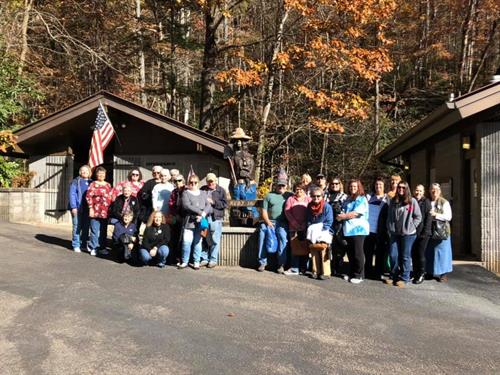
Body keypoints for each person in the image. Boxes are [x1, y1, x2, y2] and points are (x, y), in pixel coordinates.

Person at [385, 181, 422, 287]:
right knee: (393, 255)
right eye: (399, 187)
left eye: (403, 187)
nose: (401, 189)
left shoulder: (412, 201)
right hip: (394, 233)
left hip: (408, 234)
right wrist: (389, 227)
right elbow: (389, 216)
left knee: (405, 256)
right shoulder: (393, 201)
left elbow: (418, 217)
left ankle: (405, 278)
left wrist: (412, 226)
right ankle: (394, 276)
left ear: (407, 189)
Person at [257, 170, 292, 273]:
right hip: (269, 221)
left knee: (282, 236)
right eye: (279, 185)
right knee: (262, 232)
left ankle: (281, 264)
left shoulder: (289, 196)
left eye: (283, 185)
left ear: (286, 186)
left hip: (283, 223)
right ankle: (262, 262)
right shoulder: (269, 195)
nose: (281, 187)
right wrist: (268, 223)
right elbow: (264, 211)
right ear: (276, 185)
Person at [336, 179, 369, 284]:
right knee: (350, 253)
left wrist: (342, 217)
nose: (352, 188)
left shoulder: (362, 199)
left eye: (355, 186)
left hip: (358, 230)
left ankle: (358, 275)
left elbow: (355, 213)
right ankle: (352, 273)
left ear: (359, 187)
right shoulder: (348, 199)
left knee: (358, 254)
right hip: (348, 230)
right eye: (351, 186)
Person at [178, 174, 212, 270]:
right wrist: (200, 212)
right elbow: (187, 206)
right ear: (188, 183)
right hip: (189, 221)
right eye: (191, 182)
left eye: (195, 182)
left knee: (198, 242)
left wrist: (204, 214)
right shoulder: (185, 193)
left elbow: (208, 204)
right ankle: (185, 261)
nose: (193, 184)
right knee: (186, 242)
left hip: (200, 222)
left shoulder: (203, 193)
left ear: (198, 183)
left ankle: (196, 261)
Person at [426, 183, 453, 282]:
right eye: (432, 189)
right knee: (429, 252)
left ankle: (443, 274)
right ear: (429, 191)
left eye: (436, 190)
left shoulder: (444, 202)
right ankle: (429, 272)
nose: (434, 191)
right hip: (430, 231)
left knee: (443, 253)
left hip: (442, 232)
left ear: (440, 191)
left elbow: (448, 217)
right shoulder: (427, 201)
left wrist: (436, 215)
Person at [200, 173, 228, 268]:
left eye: (212, 181)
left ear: (216, 181)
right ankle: (204, 258)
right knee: (204, 237)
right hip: (204, 217)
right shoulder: (203, 189)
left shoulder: (221, 190)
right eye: (209, 181)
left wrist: (214, 202)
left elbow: (225, 204)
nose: (210, 183)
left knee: (214, 239)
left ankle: (213, 259)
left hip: (215, 218)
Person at [363, 177, 389, 280]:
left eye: (380, 185)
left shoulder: (387, 199)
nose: (378, 186)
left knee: (380, 253)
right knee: (368, 252)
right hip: (369, 229)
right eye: (377, 184)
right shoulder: (369, 197)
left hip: (381, 231)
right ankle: (367, 271)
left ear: (384, 186)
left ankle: (378, 272)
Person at [306, 186, 334, 280]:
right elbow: (308, 219)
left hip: (324, 232)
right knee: (314, 251)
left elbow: (329, 221)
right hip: (313, 233)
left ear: (322, 196)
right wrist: (312, 229)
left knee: (323, 251)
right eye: (314, 196)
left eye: (318, 196)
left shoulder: (327, 206)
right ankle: (315, 271)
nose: (316, 198)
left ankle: (325, 273)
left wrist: (320, 230)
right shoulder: (309, 206)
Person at [283, 183, 311, 275]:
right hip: (293, 228)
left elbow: (311, 213)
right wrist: (295, 224)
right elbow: (287, 212)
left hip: (305, 227)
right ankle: (295, 268)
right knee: (294, 248)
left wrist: (304, 224)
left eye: (301, 189)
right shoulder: (290, 199)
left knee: (305, 248)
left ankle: (304, 268)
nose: (299, 191)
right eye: (297, 189)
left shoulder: (309, 199)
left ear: (305, 190)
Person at [86, 166, 113, 256]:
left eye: (103, 173)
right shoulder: (93, 184)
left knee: (103, 231)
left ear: (105, 175)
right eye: (99, 173)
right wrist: (90, 208)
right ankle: (94, 247)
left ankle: (102, 247)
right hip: (95, 210)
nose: (101, 175)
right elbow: (88, 197)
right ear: (96, 174)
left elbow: (111, 198)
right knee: (94, 230)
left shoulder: (108, 185)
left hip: (105, 212)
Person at [68, 165, 92, 252]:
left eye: (86, 171)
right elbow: (72, 194)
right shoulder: (75, 181)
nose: (84, 172)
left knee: (86, 227)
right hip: (77, 208)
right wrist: (73, 207)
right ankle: (76, 244)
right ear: (80, 172)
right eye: (82, 170)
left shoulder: (91, 182)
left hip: (88, 209)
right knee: (77, 227)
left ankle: (84, 244)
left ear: (89, 172)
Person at [412, 184, 432, 284]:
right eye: (416, 190)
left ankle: (421, 274)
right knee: (414, 253)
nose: (418, 193)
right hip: (413, 232)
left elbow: (429, 218)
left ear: (423, 192)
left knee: (420, 254)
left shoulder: (426, 202)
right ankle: (415, 273)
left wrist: (425, 232)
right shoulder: (412, 201)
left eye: (420, 191)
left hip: (423, 233)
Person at [328, 177, 348, 276]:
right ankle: (330, 267)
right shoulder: (326, 196)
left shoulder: (344, 196)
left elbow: (347, 210)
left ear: (340, 185)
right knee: (330, 246)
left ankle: (339, 267)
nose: (334, 185)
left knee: (340, 246)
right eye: (333, 184)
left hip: (340, 224)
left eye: (337, 184)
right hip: (328, 224)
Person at [168, 174, 186, 262]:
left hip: (185, 217)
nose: (177, 182)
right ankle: (176, 257)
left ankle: (184, 257)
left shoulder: (186, 190)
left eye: (179, 180)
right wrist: (173, 214)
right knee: (175, 237)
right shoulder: (174, 192)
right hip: (176, 217)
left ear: (183, 181)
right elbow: (171, 204)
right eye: (175, 181)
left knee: (183, 238)